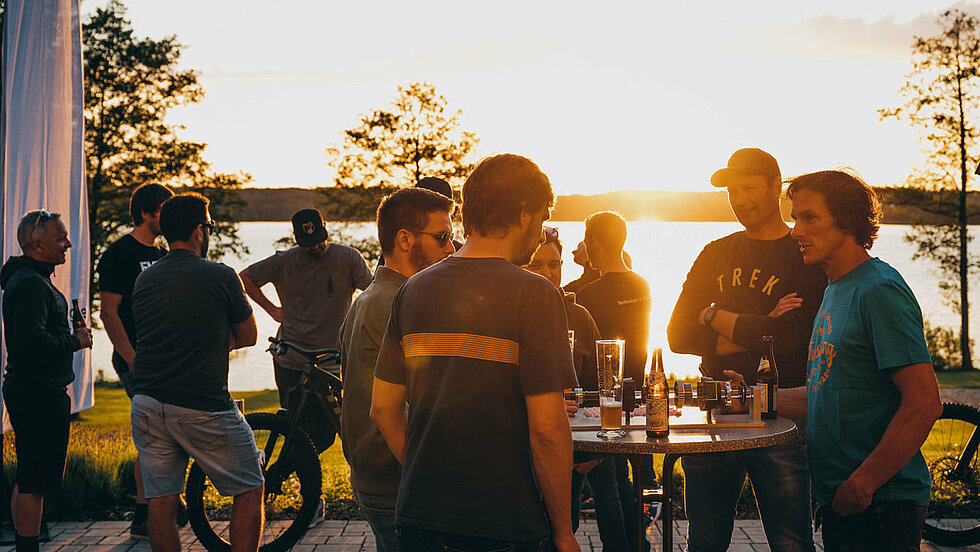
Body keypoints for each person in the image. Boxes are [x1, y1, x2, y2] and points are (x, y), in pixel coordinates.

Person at [371, 153, 581, 552]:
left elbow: (383, 408)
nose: (540, 234)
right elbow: (548, 430)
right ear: (521, 213)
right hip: (501, 521)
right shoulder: (536, 295)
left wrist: (428, 479)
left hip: (418, 518)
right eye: (540, 218)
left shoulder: (412, 291)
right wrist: (564, 532)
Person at [666, 147, 824, 552]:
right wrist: (765, 324)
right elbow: (677, 335)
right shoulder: (716, 251)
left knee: (792, 543)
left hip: (779, 413)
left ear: (776, 187)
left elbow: (794, 337)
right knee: (703, 542)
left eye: (749, 187)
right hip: (714, 408)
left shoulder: (803, 252)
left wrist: (713, 315)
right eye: (732, 191)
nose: (739, 199)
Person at [786, 170, 941, 550]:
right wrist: (747, 401)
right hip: (843, 501)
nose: (795, 231)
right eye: (795, 218)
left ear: (847, 220)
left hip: (880, 505)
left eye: (809, 218)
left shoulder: (879, 289)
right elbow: (824, 393)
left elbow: (923, 403)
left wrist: (862, 485)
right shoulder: (835, 290)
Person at [130, 193, 263, 552]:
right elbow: (249, 335)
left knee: (160, 503)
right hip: (201, 405)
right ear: (199, 232)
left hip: (146, 401)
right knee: (250, 484)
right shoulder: (221, 276)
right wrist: (215, 341)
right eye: (209, 226)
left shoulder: (145, 280)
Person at [339, 187, 456, 551]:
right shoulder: (402, 302)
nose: (451, 248)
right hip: (399, 480)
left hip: (372, 474)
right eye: (443, 237)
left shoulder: (367, 299)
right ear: (405, 239)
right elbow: (407, 405)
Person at [522, 228, 628, 551]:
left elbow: (603, 391)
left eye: (553, 264)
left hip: (577, 451)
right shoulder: (508, 316)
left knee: (589, 525)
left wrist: (592, 457)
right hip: (525, 455)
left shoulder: (579, 317)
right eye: (535, 265)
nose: (547, 273)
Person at [1, 210, 92, 552]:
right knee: (34, 481)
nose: (67, 243)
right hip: (37, 392)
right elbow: (30, 342)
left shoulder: (31, 278)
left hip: (36, 390)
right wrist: (75, 341)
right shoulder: (30, 284)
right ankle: (29, 548)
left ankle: (26, 544)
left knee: (29, 475)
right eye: (61, 238)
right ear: (37, 245)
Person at [240, 208, 371, 444]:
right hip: (291, 357)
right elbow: (245, 277)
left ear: (325, 231)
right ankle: (290, 475)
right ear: (297, 239)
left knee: (325, 434)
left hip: (331, 360)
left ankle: (296, 470)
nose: (315, 247)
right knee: (294, 426)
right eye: (308, 243)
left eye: (319, 240)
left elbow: (372, 291)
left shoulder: (348, 258)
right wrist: (272, 310)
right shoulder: (284, 261)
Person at [96, 182, 174, 538]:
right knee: (152, 435)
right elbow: (109, 312)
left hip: (166, 360)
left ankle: (162, 503)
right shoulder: (119, 254)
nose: (168, 216)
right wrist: (132, 359)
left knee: (164, 434)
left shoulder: (163, 254)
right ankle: (145, 514)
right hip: (137, 361)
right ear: (145, 213)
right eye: (163, 210)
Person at [575, 211, 653, 551]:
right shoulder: (641, 284)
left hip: (601, 403)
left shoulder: (589, 295)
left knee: (608, 487)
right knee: (624, 484)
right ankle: (638, 545)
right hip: (636, 399)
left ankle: (618, 548)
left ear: (592, 244)